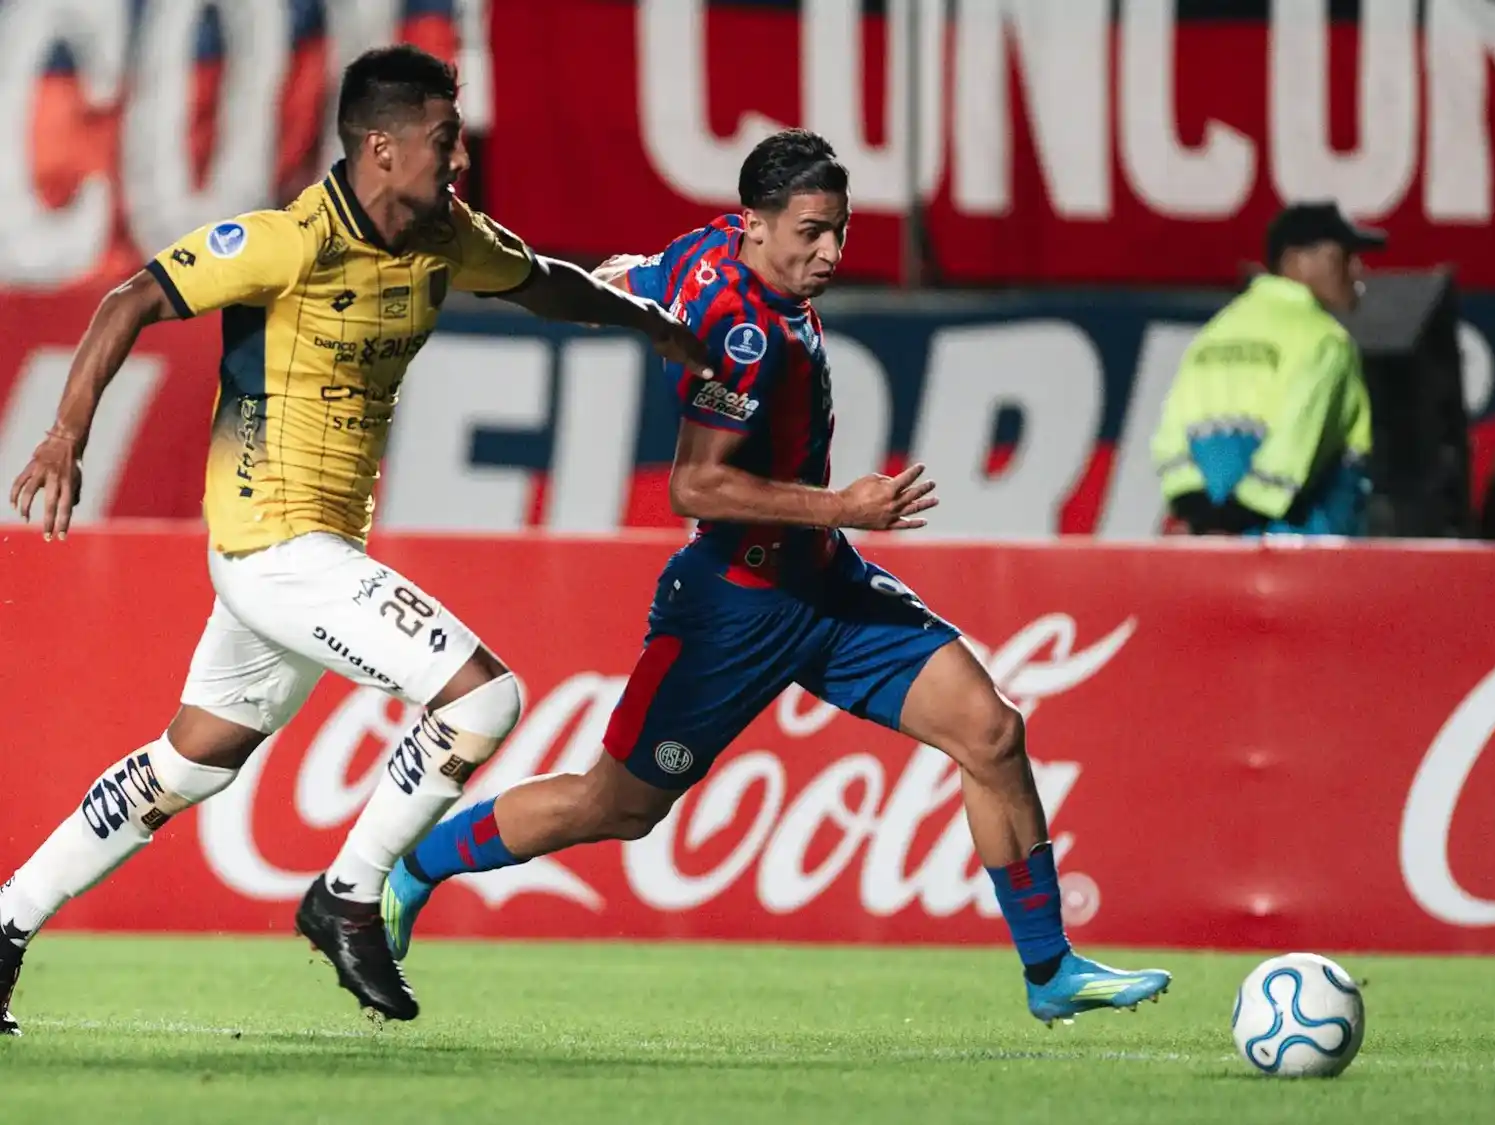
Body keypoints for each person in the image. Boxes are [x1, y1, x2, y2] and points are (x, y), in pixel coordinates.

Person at [380, 129, 1171, 1027]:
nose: (829, 252)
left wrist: (615, 286)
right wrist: (849, 507)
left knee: (990, 732)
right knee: (617, 806)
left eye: (839, 230)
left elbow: (631, 274)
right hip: (734, 606)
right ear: (758, 225)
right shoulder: (746, 335)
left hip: (825, 589)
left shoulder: (715, 246)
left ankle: (1050, 968)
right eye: (811, 232)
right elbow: (696, 484)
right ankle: (416, 865)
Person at [0, 44, 710, 1036]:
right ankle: (348, 892)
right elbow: (131, 299)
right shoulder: (284, 241)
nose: (458, 156)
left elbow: (543, 281)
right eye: (443, 138)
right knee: (484, 699)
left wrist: (648, 322)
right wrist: (67, 432)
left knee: (192, 764)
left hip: (306, 556)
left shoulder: (442, 236)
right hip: (274, 546)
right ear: (382, 145)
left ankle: (6, 923)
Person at [1153, 202, 1381, 536]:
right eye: (1342, 257)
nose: (1357, 269)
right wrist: (1239, 519)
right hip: (1302, 552)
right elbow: (1296, 444)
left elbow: (1171, 439)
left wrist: (1203, 517)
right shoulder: (1326, 340)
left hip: (1213, 549)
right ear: (1295, 261)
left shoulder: (1212, 335)